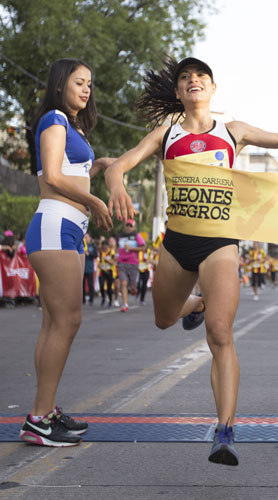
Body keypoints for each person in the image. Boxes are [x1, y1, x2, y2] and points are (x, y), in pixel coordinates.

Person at [105, 57, 278, 466]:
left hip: (219, 243)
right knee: (163, 319)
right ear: (179, 93)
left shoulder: (234, 131)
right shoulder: (166, 134)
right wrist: (115, 183)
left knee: (220, 333)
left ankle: (225, 431)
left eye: (201, 76)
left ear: (213, 89)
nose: (193, 81)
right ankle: (195, 303)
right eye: (185, 78)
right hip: (178, 243)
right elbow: (120, 166)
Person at [19, 58, 112, 447]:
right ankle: (40, 418)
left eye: (90, 83)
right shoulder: (55, 119)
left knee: (53, 323)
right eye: (79, 82)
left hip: (68, 229)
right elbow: (54, 177)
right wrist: (93, 200)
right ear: (60, 85)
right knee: (67, 321)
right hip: (56, 224)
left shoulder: (72, 125)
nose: (86, 89)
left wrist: (102, 165)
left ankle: (45, 410)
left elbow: (71, 172)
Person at [116, 219, 146, 312]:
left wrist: (131, 248)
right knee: (123, 283)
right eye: (127, 225)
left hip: (133, 263)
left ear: (134, 227)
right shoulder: (120, 236)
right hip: (121, 263)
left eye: (130, 226)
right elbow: (117, 248)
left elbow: (144, 247)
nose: (128, 227)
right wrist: (115, 257)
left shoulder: (137, 236)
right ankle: (125, 304)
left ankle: (134, 288)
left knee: (132, 286)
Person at [98, 239, 115, 307]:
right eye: (103, 247)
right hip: (102, 271)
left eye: (106, 247)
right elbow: (98, 261)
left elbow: (113, 262)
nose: (104, 248)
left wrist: (107, 260)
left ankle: (110, 301)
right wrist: (99, 263)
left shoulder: (111, 252)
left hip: (109, 272)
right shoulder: (100, 252)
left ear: (108, 246)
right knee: (101, 286)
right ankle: (103, 298)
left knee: (109, 288)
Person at [82, 232, 97, 305]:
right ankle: (83, 299)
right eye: (85, 237)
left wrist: (89, 254)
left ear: (90, 238)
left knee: (91, 284)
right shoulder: (81, 245)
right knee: (82, 285)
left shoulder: (92, 245)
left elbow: (96, 255)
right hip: (82, 268)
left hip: (90, 268)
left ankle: (91, 299)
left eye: (87, 237)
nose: (86, 238)